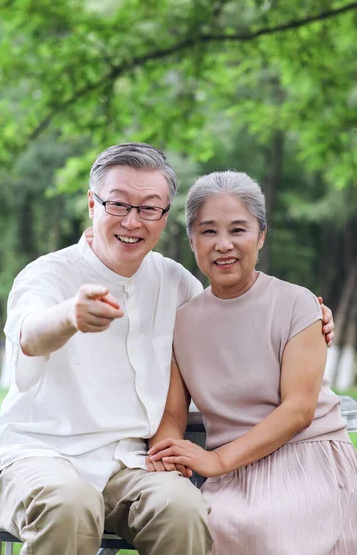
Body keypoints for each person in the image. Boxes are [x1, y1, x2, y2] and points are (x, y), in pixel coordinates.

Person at [0, 145, 333, 555]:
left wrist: (308, 317)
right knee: (68, 505)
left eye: (149, 209)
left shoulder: (175, 282)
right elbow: (28, 335)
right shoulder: (47, 275)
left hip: (131, 463)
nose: (132, 221)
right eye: (118, 204)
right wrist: (70, 317)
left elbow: (229, 328)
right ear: (93, 204)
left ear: (164, 218)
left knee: (183, 508)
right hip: (38, 455)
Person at [147, 170, 357, 555]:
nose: (223, 244)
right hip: (230, 474)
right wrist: (168, 451)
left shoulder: (297, 304)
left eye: (238, 230)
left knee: (268, 530)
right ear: (191, 240)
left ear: (260, 236)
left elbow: (299, 410)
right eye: (208, 231)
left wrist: (217, 459)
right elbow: (172, 415)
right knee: (201, 524)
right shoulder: (181, 321)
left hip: (306, 457)